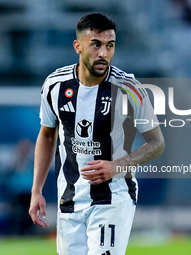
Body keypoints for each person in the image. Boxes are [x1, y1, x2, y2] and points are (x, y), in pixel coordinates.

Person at [29, 13, 164, 255]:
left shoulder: (129, 88)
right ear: (78, 46)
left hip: (113, 198)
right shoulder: (54, 85)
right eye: (96, 44)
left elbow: (157, 143)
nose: (104, 53)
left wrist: (117, 166)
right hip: (69, 198)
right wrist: (36, 190)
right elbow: (47, 135)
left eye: (110, 45)